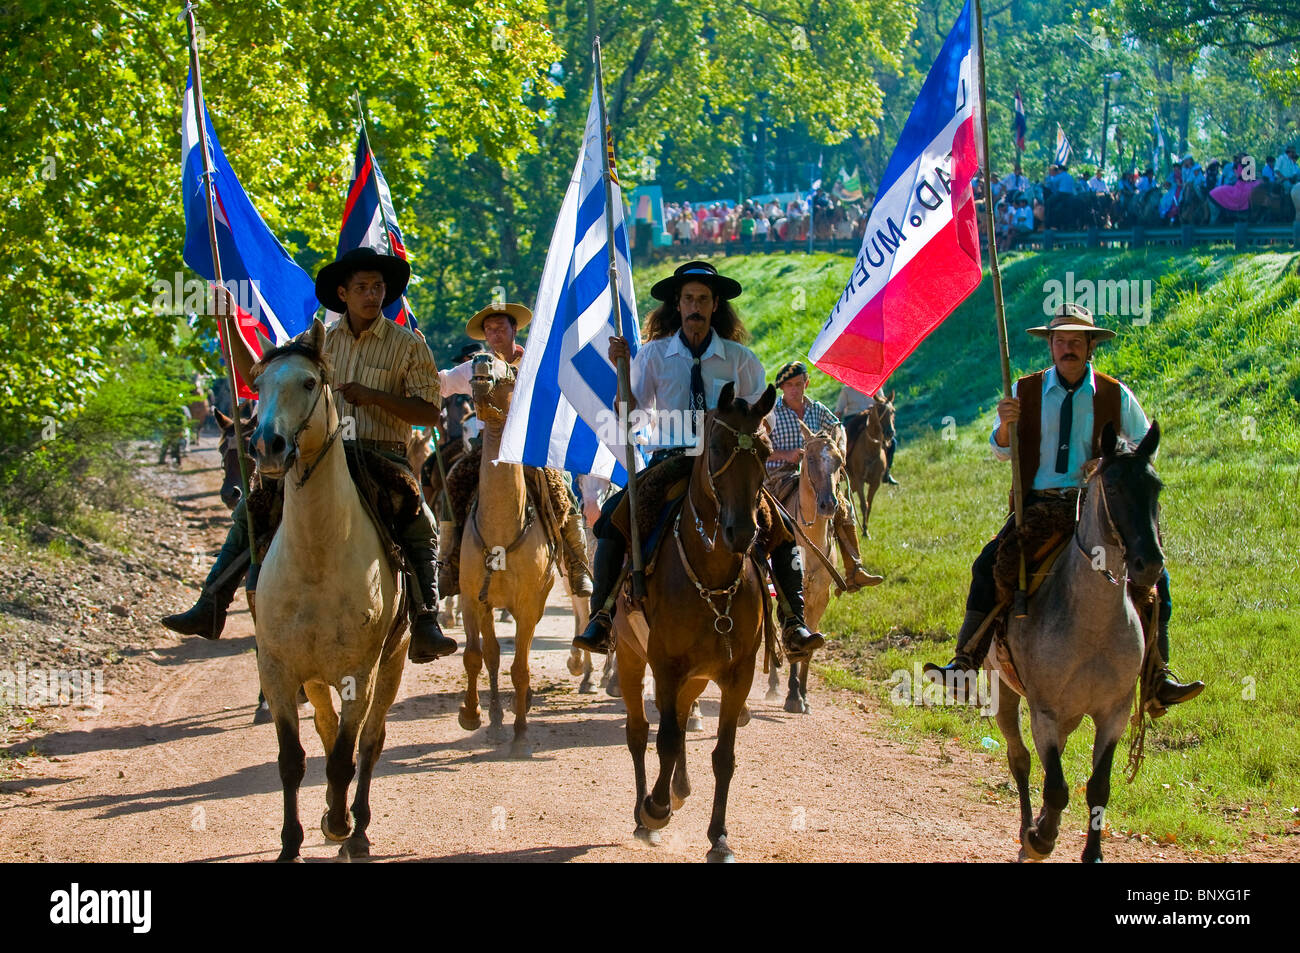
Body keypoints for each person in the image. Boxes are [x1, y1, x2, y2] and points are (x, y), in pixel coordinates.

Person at [162, 247, 457, 663]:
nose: (372, 295)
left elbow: (429, 411)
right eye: (362, 288)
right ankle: (212, 603)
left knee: (418, 517)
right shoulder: (316, 344)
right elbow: (257, 377)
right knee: (255, 504)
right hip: (317, 455)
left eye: (378, 287)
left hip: (382, 455)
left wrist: (373, 397)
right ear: (343, 293)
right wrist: (228, 322)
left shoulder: (408, 346)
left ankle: (426, 619)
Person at [922, 304, 1204, 709]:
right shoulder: (1025, 390)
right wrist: (1005, 424)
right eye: (1059, 341)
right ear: (1050, 347)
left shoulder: (1115, 394)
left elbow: (1142, 454)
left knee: (1156, 573)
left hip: (1098, 508)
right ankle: (965, 665)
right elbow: (1001, 451)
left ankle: (1158, 676)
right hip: (1038, 507)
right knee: (987, 566)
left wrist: (1108, 464)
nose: (1067, 348)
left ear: (1091, 347)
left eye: (1076, 341)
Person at [572, 261, 823, 662]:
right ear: (678, 303)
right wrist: (621, 369)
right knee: (614, 520)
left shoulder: (740, 359)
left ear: (715, 304)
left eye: (703, 299)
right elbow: (630, 417)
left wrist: (747, 444)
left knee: (782, 527)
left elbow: (766, 419)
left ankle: (793, 621)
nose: (695, 306)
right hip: (672, 460)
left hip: (726, 466)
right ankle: (601, 618)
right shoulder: (653, 355)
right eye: (688, 298)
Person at [435, 302, 593, 599]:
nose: (495, 335)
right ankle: (448, 562)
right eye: (490, 330)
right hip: (486, 448)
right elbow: (442, 383)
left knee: (562, 490)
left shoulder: (535, 362)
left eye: (501, 328)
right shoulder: (474, 366)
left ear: (514, 330)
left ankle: (576, 563)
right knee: (453, 484)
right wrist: (420, 363)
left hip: (528, 446)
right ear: (484, 334)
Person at [766, 361, 883, 592]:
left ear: (806, 384)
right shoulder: (772, 414)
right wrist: (785, 454)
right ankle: (763, 566)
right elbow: (759, 446)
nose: (794, 389)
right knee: (769, 512)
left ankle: (854, 569)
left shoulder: (817, 409)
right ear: (781, 388)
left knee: (841, 505)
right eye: (789, 385)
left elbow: (838, 426)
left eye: (799, 384)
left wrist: (840, 448)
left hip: (817, 474)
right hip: (781, 475)